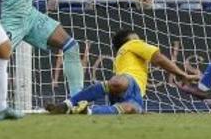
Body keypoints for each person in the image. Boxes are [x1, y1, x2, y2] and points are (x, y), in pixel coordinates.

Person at [46, 29, 198, 115]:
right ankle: (68, 104)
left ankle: (86, 111)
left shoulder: (121, 57)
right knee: (119, 82)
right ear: (130, 40)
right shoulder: (133, 44)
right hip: (130, 82)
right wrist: (182, 75)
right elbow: (158, 58)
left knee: (130, 108)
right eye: (137, 38)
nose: (141, 40)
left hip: (135, 95)